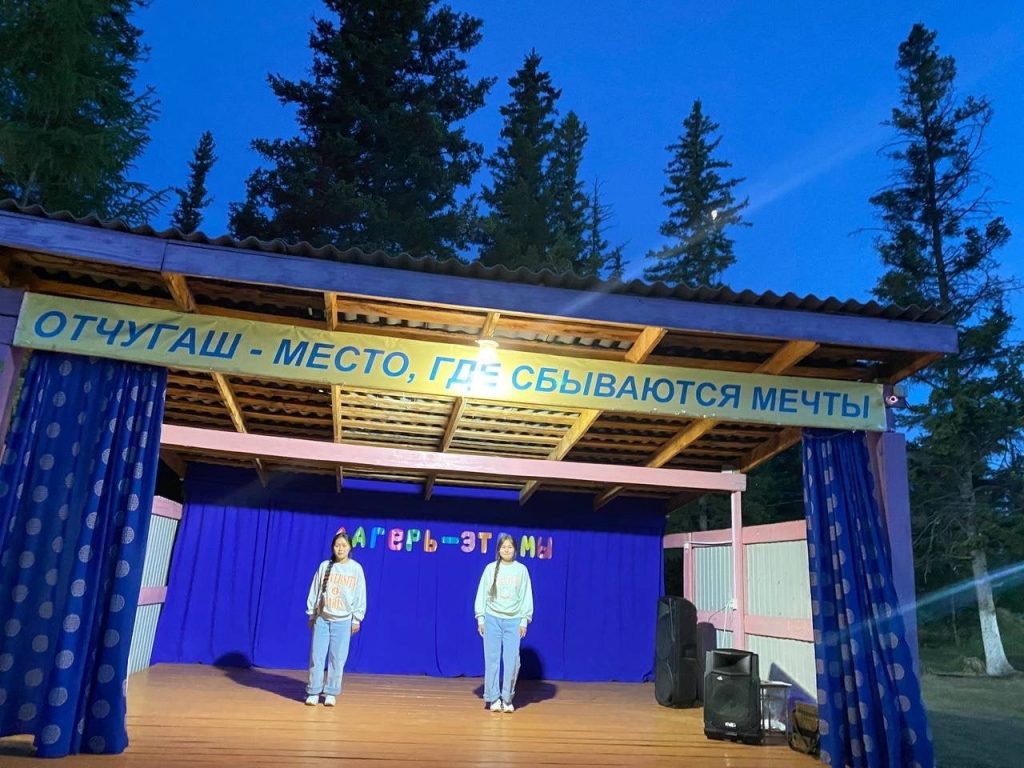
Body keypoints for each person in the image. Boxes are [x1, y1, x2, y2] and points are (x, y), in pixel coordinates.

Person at [304, 530, 366, 706]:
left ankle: (331, 692)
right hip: (323, 618)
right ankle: (314, 691)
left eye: (344, 545)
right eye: (337, 545)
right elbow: (315, 590)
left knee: (337, 659)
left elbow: (360, 594)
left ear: (350, 548)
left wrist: (356, 618)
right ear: (332, 547)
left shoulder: (356, 569)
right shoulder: (325, 566)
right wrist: (312, 614)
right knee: (317, 657)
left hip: (343, 621)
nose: (340, 549)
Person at [474, 533, 533, 713]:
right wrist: (481, 618)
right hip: (492, 618)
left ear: (515, 549)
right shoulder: (490, 569)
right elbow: (482, 594)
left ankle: (507, 698)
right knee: (492, 660)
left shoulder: (521, 570)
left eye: (510, 547)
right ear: (498, 550)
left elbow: (526, 596)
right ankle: (493, 698)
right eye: (503, 547)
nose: (506, 550)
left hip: (513, 620)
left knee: (512, 661)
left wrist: (524, 621)